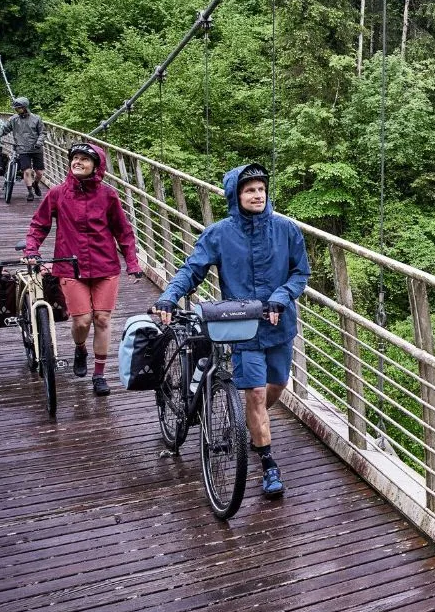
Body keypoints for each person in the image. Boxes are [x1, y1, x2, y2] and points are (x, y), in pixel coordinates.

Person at [153, 163, 310, 498]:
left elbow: (300, 273)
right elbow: (193, 269)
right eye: (249, 190)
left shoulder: (286, 230)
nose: (257, 195)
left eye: (261, 189)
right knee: (253, 393)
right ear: (235, 195)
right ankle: (267, 463)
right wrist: (169, 296)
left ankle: (248, 425)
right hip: (241, 327)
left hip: (279, 323)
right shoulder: (220, 233)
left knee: (277, 385)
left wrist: (280, 297)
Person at [24, 142, 144, 397]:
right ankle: (80, 348)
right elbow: (39, 224)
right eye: (74, 158)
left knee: (102, 319)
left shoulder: (108, 195)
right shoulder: (57, 193)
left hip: (105, 265)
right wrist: (32, 250)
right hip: (69, 265)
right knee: (82, 320)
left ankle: (99, 375)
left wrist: (132, 262)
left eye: (84, 159)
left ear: (96, 167)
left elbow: (123, 232)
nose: (77, 162)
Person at [0, 97, 45, 201]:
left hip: (36, 148)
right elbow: (4, 129)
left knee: (39, 173)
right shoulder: (13, 119)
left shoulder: (36, 118)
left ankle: (35, 184)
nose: (16, 110)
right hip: (22, 148)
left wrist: (39, 143)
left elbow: (42, 132)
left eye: (18, 108)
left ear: (25, 107)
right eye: (15, 108)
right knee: (27, 171)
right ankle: (30, 192)